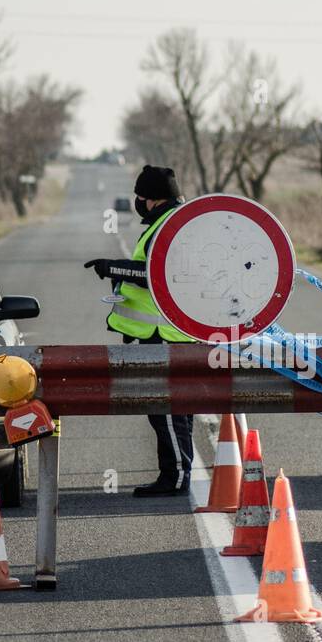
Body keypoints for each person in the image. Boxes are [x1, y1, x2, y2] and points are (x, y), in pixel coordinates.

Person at [84, 165, 196, 497]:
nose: (137, 201)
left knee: (167, 408)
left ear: (150, 199)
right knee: (170, 408)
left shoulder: (167, 227)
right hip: (167, 336)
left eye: (140, 196)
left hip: (165, 336)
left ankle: (175, 477)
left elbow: (158, 275)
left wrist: (112, 267)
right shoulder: (169, 223)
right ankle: (174, 474)